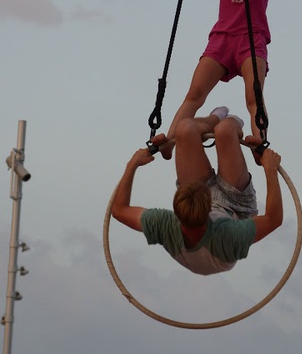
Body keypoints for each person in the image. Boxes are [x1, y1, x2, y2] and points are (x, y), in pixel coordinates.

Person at [162, 0, 278, 161]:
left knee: (253, 96)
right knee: (195, 94)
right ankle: (169, 141)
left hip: (251, 39)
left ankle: (260, 142)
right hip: (222, 39)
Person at [111, 107, 283, 276]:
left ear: (176, 211)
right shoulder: (229, 236)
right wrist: (270, 169)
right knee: (225, 130)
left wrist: (132, 164)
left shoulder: (166, 226)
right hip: (235, 208)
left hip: (200, 211)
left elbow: (119, 210)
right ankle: (231, 124)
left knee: (184, 129)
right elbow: (273, 219)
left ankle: (214, 118)